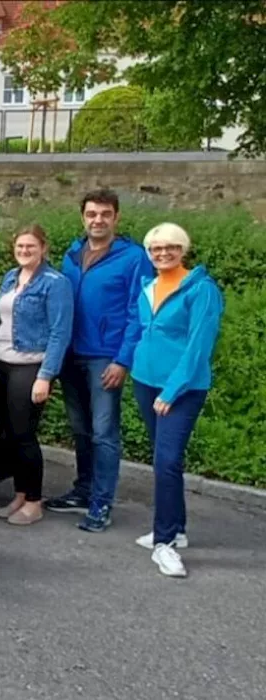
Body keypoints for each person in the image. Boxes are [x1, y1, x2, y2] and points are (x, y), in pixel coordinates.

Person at [45, 189, 153, 533]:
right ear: (83, 217)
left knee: (105, 432)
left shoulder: (134, 257)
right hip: (71, 354)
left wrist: (123, 360)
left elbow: (140, 311)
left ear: (116, 217)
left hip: (106, 356)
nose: (98, 220)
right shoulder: (73, 254)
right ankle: (83, 489)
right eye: (92, 214)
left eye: (105, 214)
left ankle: (102, 502)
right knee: (80, 429)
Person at [130, 223, 223, 578]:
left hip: (180, 389)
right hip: (145, 382)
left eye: (170, 247)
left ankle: (164, 543)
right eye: (155, 249)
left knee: (167, 461)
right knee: (164, 460)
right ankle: (177, 529)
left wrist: (172, 390)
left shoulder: (201, 290)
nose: (163, 253)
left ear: (183, 249)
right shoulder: (148, 286)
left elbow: (200, 346)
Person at [0, 226, 73, 527]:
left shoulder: (55, 283)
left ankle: (35, 501)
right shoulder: (10, 277)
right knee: (10, 433)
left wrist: (46, 375)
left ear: (43, 248)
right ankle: (20, 493)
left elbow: (60, 332)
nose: (24, 251)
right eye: (20, 246)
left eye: (30, 246)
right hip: (0, 362)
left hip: (30, 366)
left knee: (24, 434)